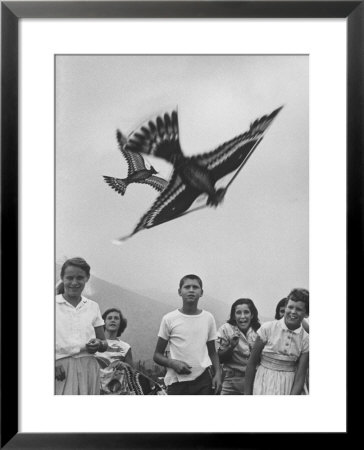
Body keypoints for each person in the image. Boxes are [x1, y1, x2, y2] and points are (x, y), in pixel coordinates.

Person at [153, 274, 222, 395]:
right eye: (187, 287)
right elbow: (157, 355)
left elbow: (212, 352)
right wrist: (173, 363)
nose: (191, 290)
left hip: (203, 380)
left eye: (195, 287)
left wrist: (218, 374)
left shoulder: (208, 318)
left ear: (201, 292)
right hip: (177, 382)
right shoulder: (169, 319)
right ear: (180, 292)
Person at [55, 257, 108, 395]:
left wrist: (98, 344)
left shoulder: (93, 306)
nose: (74, 282)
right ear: (62, 278)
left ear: (87, 278)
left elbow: (104, 343)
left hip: (88, 367)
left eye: (79, 278)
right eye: (69, 278)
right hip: (60, 368)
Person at [245, 288, 309, 395]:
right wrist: (247, 394)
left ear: (306, 314)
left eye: (298, 309)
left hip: (287, 386)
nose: (293, 312)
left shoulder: (306, 339)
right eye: (290, 307)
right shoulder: (267, 328)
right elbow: (251, 363)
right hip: (262, 382)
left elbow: (300, 376)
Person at [217, 298, 261, 395]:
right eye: (238, 313)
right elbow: (219, 358)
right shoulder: (225, 329)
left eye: (246, 312)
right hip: (231, 381)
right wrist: (231, 347)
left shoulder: (260, 331)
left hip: (254, 381)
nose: (242, 316)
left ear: (252, 315)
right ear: (233, 315)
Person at [95, 308, 134, 394]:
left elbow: (132, 372)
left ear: (121, 323)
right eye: (109, 318)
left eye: (116, 318)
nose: (113, 320)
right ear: (103, 322)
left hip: (117, 392)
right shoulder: (95, 343)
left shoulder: (125, 347)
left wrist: (124, 365)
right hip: (95, 391)